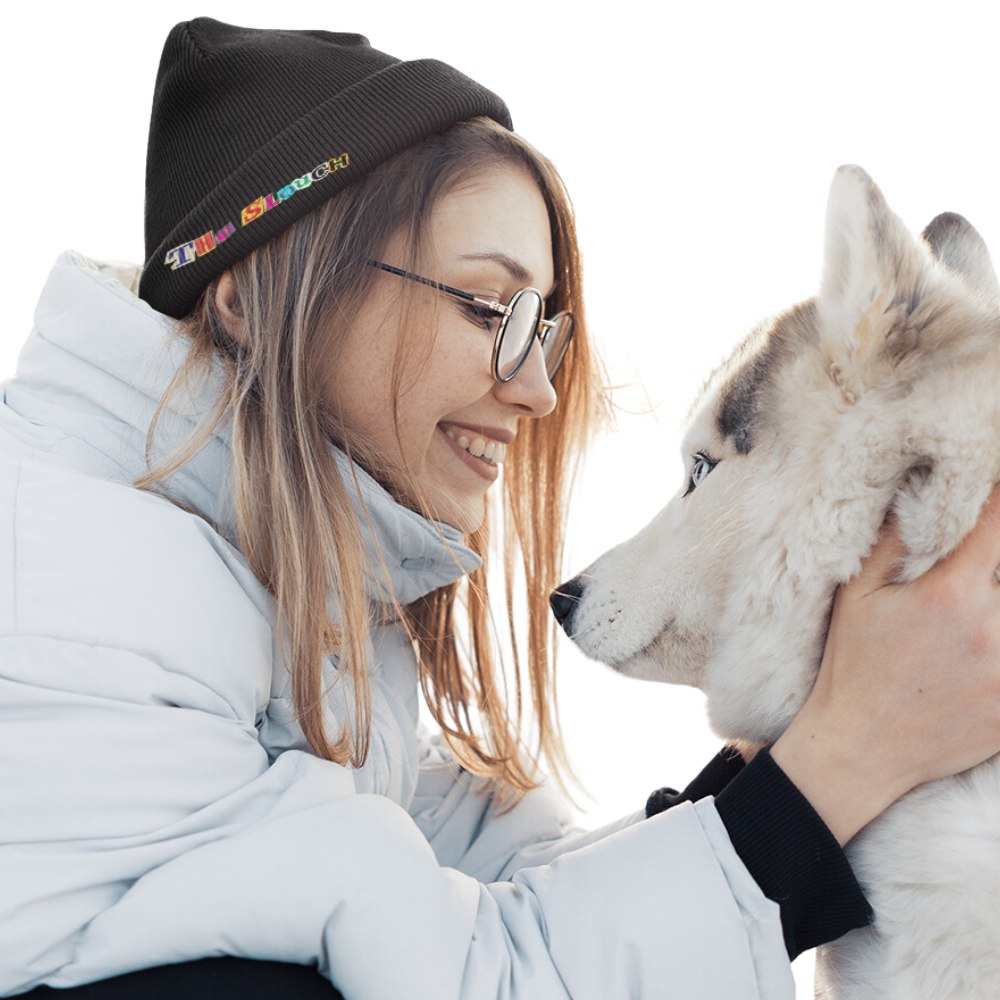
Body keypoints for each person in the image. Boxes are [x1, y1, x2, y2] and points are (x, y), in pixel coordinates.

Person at [3, 17, 1000, 1000]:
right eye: (491, 309)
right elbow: (466, 976)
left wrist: (823, 738)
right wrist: (845, 758)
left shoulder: (283, 612)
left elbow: (509, 887)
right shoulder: (84, 593)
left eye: (547, 333)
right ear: (250, 299)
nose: (534, 389)